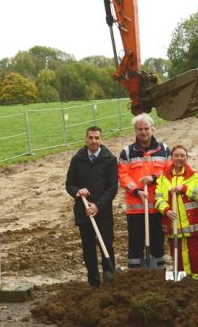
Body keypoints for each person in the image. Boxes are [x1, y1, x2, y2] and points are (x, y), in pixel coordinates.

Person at [65, 126, 118, 286]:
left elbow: (112, 188)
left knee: (106, 244)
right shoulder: (77, 159)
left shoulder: (109, 159)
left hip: (102, 211)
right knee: (88, 248)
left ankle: (109, 278)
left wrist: (98, 206)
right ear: (86, 139)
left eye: (97, 138)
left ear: (101, 139)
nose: (94, 141)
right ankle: (93, 282)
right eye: (91, 138)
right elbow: (69, 184)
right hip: (83, 211)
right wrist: (77, 191)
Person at [118, 113, 169, 269]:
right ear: (135, 131)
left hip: (157, 206)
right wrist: (137, 191)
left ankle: (159, 272)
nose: (143, 132)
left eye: (146, 128)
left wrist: (154, 177)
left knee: (157, 240)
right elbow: (123, 176)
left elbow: (169, 172)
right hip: (136, 208)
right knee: (135, 241)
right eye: (140, 129)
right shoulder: (126, 152)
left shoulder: (164, 149)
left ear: (152, 129)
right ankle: (136, 275)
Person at [155, 145, 198, 279]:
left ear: (187, 157)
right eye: (176, 155)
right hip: (173, 225)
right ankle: (182, 284)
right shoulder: (162, 178)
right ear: (171, 157)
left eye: (182, 155)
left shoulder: (195, 176)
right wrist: (166, 210)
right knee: (177, 256)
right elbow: (158, 199)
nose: (179, 158)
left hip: (193, 225)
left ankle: (197, 282)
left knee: (195, 255)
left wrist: (184, 188)